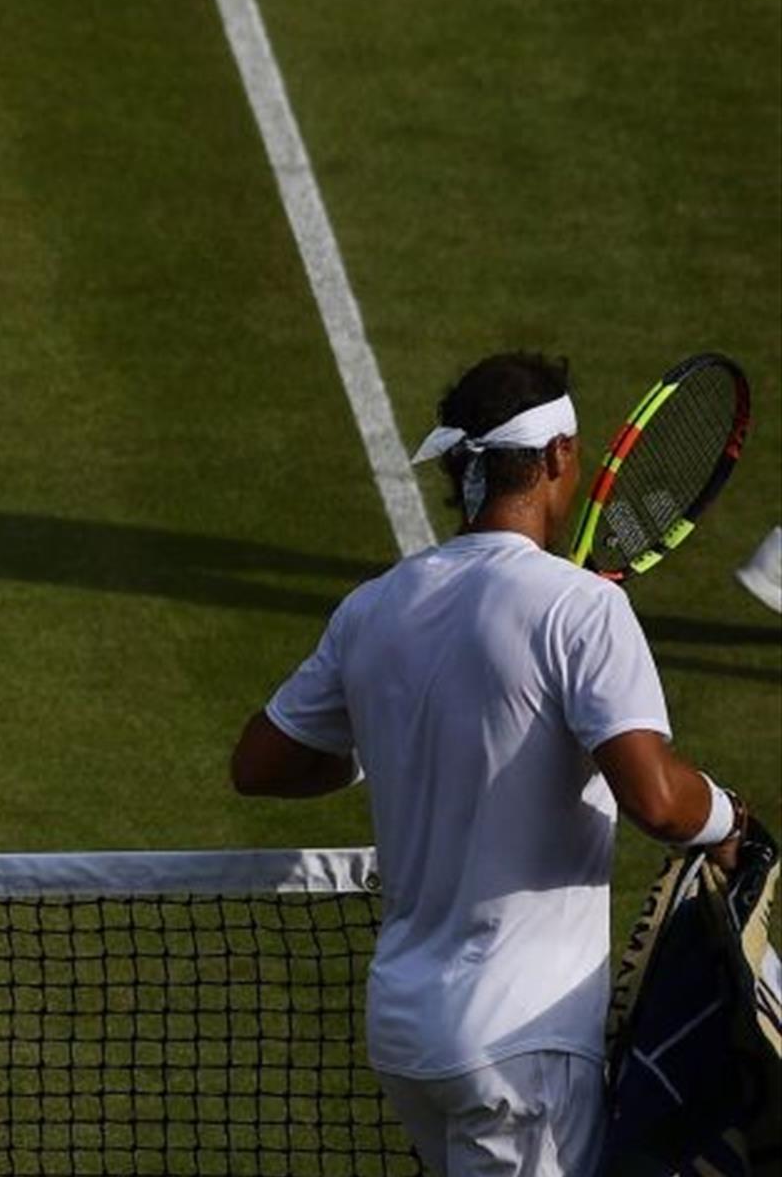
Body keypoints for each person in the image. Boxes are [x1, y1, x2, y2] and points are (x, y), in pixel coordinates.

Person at [228, 351, 748, 1177]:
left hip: (407, 1033)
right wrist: (730, 818)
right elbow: (656, 800)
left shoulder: (373, 608)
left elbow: (259, 763)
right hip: (518, 1042)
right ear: (556, 459)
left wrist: (381, 748)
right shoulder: (584, 610)